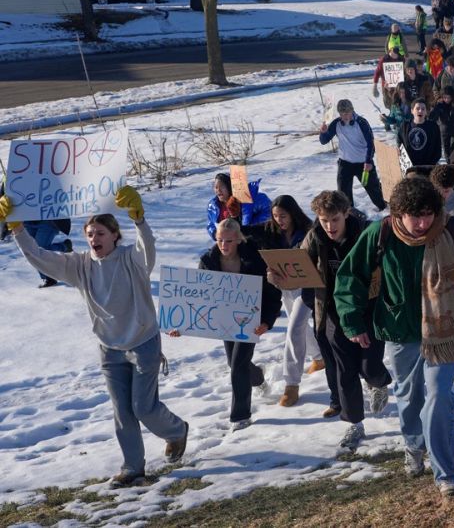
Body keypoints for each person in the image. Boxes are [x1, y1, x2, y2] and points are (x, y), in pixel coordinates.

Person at [333, 177, 454, 495]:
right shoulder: (379, 234)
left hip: (443, 330)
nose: (422, 223)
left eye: (428, 214)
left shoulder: (450, 230)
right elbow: (351, 276)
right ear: (398, 213)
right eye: (414, 216)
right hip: (399, 329)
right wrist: (352, 321)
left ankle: (445, 473)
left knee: (439, 396)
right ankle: (413, 445)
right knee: (409, 397)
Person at [0, 188, 189, 487]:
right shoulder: (80, 266)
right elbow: (39, 257)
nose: (94, 239)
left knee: (144, 407)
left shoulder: (132, 260)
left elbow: (147, 249)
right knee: (122, 412)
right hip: (110, 349)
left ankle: (176, 431)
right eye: (89, 234)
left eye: (100, 233)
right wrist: (18, 229)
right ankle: (132, 468)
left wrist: (139, 220)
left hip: (143, 343)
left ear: (115, 235)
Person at [269, 191, 392, 449]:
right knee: (345, 370)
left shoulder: (366, 234)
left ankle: (379, 383)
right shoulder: (314, 237)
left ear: (346, 213)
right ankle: (354, 424)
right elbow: (299, 268)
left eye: (335, 219)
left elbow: (388, 265)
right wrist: (281, 278)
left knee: (369, 366)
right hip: (333, 311)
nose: (329, 226)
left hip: (367, 308)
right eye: (324, 220)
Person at [194, 219, 282, 431]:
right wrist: (184, 323)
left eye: (228, 241)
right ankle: (258, 377)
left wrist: (267, 322)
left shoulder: (254, 259)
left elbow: (272, 293)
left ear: (239, 239)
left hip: (250, 319)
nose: (223, 245)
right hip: (225, 320)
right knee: (234, 363)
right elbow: (197, 296)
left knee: (239, 365)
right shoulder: (208, 260)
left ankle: (240, 416)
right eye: (219, 240)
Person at [245, 195, 319, 407]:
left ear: (293, 213)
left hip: (308, 286)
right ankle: (319, 357)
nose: (279, 220)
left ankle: (291, 384)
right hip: (284, 286)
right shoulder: (269, 230)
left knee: (294, 328)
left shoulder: (308, 230)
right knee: (300, 327)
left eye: (283, 216)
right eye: (275, 216)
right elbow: (244, 231)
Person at [318, 99, 387, 212]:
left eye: (347, 113)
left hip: (363, 164)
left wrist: (368, 161)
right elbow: (324, 141)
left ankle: (384, 208)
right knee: (343, 196)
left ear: (352, 111)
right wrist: (323, 132)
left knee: (374, 191)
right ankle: (350, 215)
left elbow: (371, 143)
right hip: (345, 163)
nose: (345, 116)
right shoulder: (336, 123)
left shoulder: (361, 123)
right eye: (342, 114)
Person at [206, 173, 272, 240]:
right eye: (216, 187)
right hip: (227, 243)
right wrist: (215, 233)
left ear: (230, 187)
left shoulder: (252, 198)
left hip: (253, 240)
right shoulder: (213, 206)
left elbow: (269, 211)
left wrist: (251, 226)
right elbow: (211, 223)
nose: (218, 190)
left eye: (222, 187)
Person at [23, 218, 71, 288]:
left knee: (39, 249)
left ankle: (48, 278)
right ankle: (65, 246)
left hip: (48, 219)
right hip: (27, 219)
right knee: (31, 250)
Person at [399, 100, 443, 169]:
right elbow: (399, 144)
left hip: (428, 167)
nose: (420, 111)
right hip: (410, 168)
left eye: (423, 109)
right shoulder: (405, 126)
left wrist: (431, 165)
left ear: (426, 112)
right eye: (417, 108)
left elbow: (437, 149)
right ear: (412, 111)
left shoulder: (433, 127)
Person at [430, 86, 454, 162]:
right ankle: (449, 164)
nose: (447, 100)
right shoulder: (439, 104)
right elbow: (433, 117)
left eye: (448, 97)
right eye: (444, 97)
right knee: (446, 150)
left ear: (452, 96)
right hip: (445, 130)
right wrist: (436, 106)